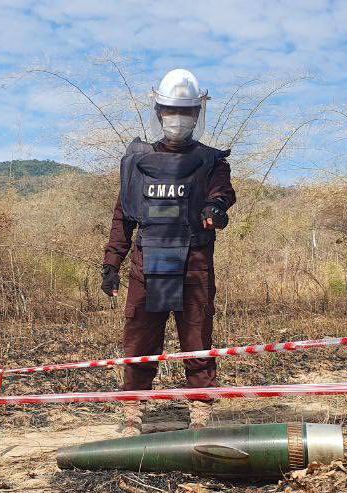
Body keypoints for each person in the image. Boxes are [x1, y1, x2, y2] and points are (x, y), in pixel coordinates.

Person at [100, 68, 236, 436]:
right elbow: (123, 215)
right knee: (139, 340)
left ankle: (201, 413)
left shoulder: (211, 161)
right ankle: (133, 414)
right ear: (159, 112)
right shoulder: (137, 162)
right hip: (147, 265)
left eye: (186, 112)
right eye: (172, 111)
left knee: (197, 340)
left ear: (197, 113)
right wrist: (112, 263)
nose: (179, 118)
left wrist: (215, 209)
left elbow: (222, 194)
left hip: (194, 265)